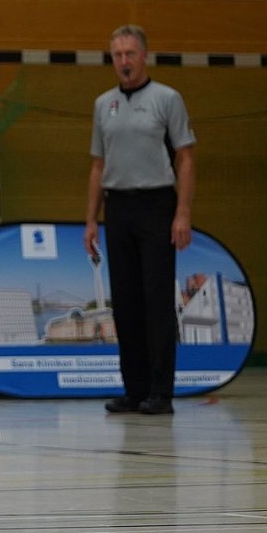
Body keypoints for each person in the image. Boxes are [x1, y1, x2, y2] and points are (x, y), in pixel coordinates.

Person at [84, 26, 195, 416]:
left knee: (157, 300)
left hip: (157, 204)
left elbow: (186, 158)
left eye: (130, 53)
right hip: (118, 207)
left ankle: (161, 392)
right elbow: (98, 165)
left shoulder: (167, 99)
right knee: (126, 303)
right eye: (117, 55)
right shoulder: (104, 104)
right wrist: (91, 219)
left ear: (144, 56)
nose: (124, 61)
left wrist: (182, 213)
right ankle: (134, 390)